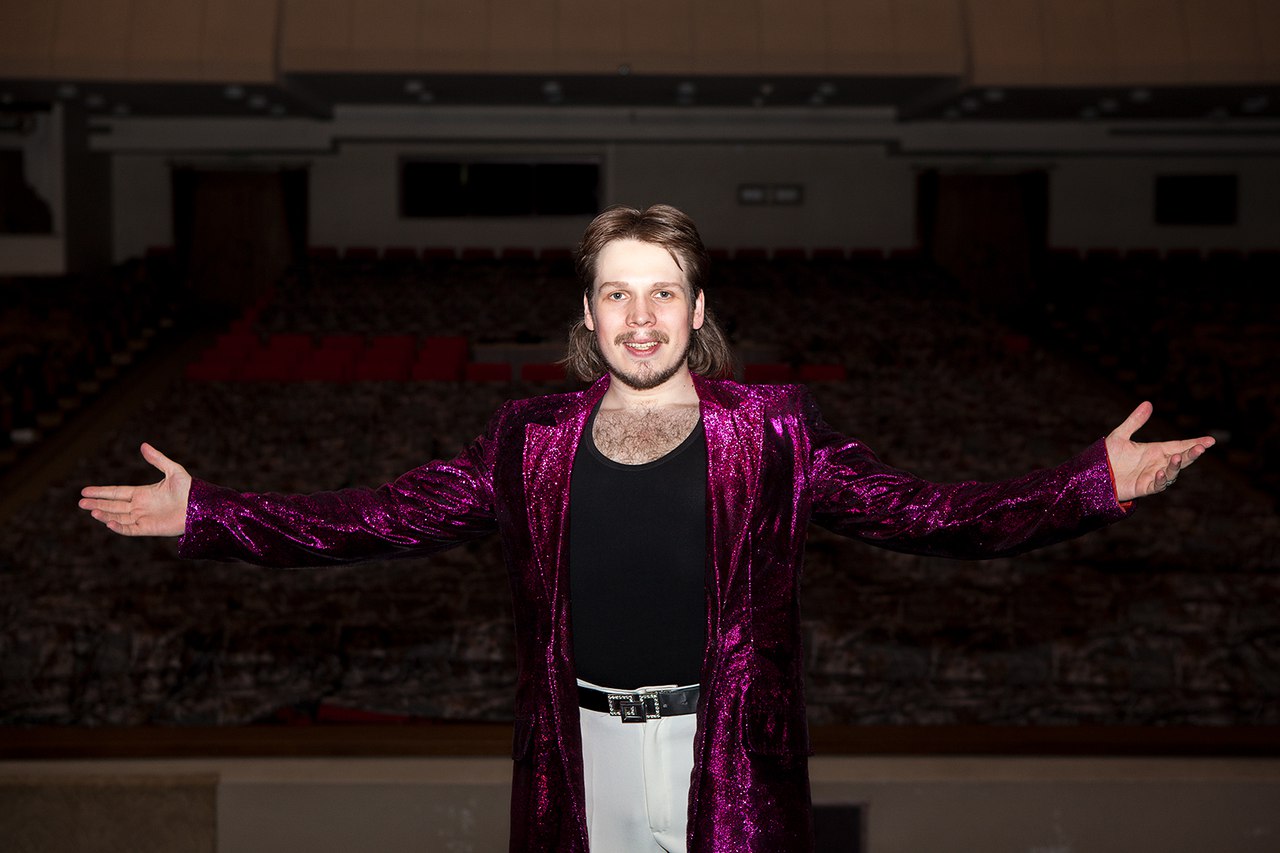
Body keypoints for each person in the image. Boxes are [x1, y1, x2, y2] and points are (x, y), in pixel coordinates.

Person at [80, 204, 1214, 853]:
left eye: (663, 291)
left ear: (698, 310)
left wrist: (1088, 484)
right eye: (617, 293)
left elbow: (931, 514)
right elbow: (370, 518)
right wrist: (211, 513)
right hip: (577, 757)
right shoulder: (524, 440)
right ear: (587, 316)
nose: (640, 316)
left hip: (727, 755)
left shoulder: (774, 430)